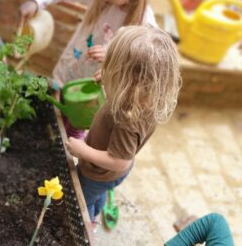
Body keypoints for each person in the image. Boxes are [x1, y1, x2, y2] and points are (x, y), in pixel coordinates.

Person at [19, 0, 156, 138]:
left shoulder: (145, 21)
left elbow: (150, 57)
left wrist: (113, 53)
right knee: (55, 119)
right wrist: (37, 2)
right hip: (69, 73)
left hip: (89, 94)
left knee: (74, 129)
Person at [65, 25, 181, 224]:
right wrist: (111, 78)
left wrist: (82, 150)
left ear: (129, 80)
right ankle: (97, 206)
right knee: (99, 193)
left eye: (114, 68)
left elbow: (119, 161)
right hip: (107, 173)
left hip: (99, 172)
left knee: (80, 201)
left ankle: (88, 223)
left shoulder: (128, 116)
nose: (108, 69)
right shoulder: (144, 96)